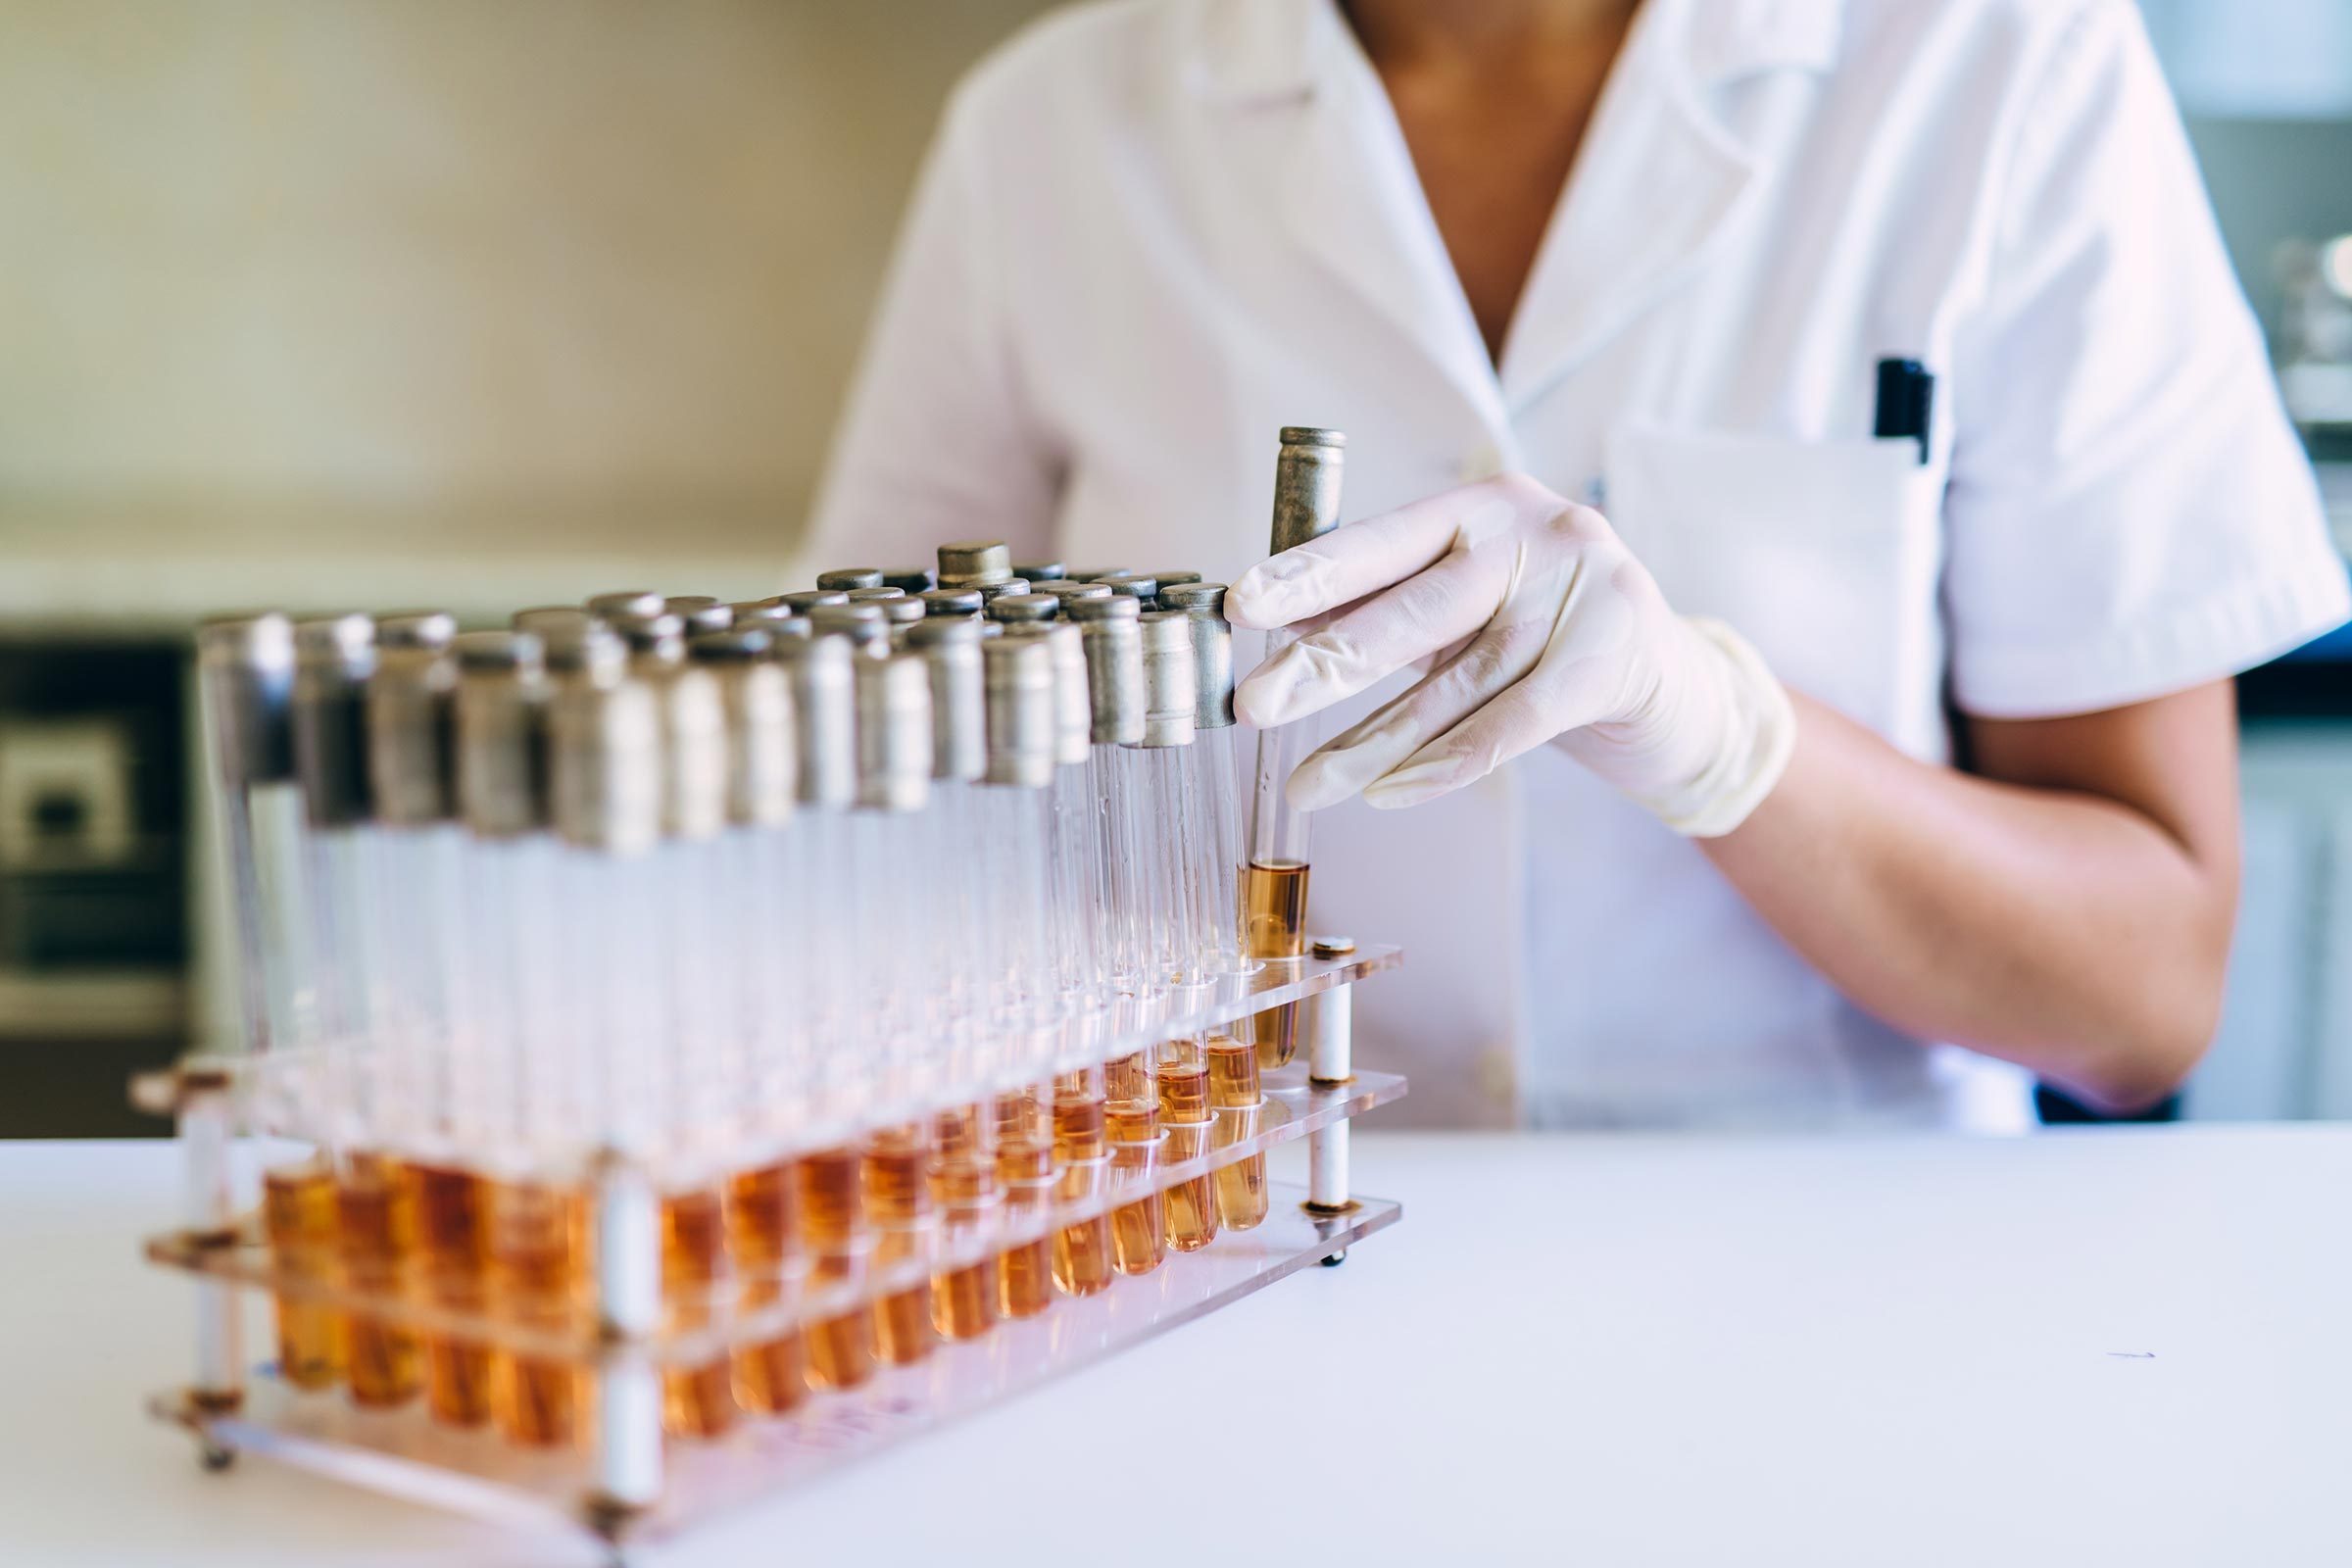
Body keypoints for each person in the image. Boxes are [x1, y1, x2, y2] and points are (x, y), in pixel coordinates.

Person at [808, 0, 2350, 1130]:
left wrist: (1722, 738)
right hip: (1224, 1254)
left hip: (1836, 1294)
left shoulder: (2002, 70)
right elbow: (868, 825)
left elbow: (2144, 1001)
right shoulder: (1047, 136)